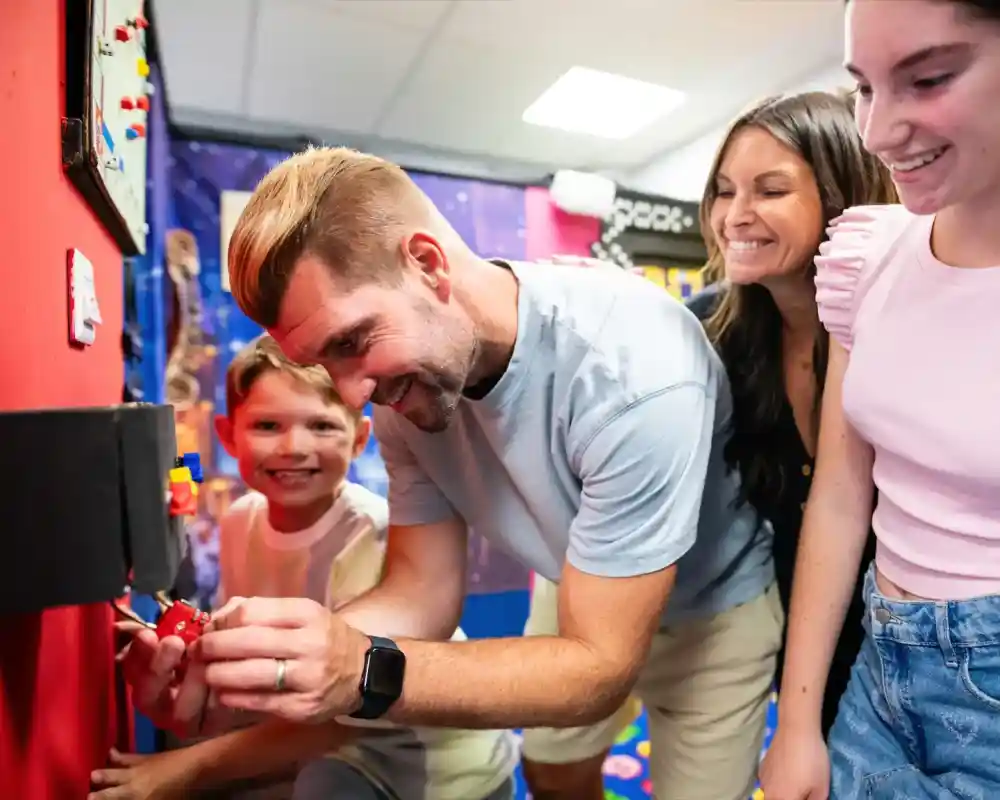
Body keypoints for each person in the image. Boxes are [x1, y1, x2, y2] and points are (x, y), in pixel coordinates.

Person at [120, 145, 779, 800]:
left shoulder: (633, 371)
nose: (352, 397)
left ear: (427, 263)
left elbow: (599, 666)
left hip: (713, 612)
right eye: (325, 363)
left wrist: (361, 669)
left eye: (352, 343)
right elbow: (421, 590)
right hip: (578, 571)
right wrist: (267, 660)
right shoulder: (409, 379)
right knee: (551, 771)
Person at [518, 89, 896, 796]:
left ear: (842, 194)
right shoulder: (699, 338)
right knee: (550, 765)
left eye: (770, 189)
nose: (734, 215)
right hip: (757, 612)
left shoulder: (891, 338)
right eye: (724, 191)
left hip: (882, 638)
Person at [95, 336, 517, 800]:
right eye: (268, 425)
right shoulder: (241, 520)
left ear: (359, 439)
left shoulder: (372, 536)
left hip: (440, 774)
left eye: (321, 425)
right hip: (327, 751)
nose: (294, 447)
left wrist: (187, 768)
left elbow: (342, 714)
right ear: (228, 434)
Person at [760, 1, 1000, 798]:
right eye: (863, 87)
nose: (875, 131)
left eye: (927, 79)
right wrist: (797, 725)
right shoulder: (870, 254)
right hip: (877, 664)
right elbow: (838, 495)